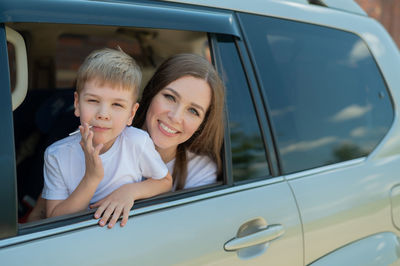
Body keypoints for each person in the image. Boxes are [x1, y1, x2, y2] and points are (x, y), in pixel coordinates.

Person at [28, 53, 225, 227]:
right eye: (170, 97)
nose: (175, 116)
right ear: (151, 94)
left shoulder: (200, 171)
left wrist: (130, 191)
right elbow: (44, 215)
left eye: (193, 111)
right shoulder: (81, 143)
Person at [41, 48, 172, 228]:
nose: (103, 114)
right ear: (77, 104)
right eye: (93, 101)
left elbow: (164, 182)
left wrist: (129, 192)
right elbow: (54, 219)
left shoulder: (137, 142)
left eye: (117, 104)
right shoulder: (56, 155)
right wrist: (91, 178)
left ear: (131, 114)